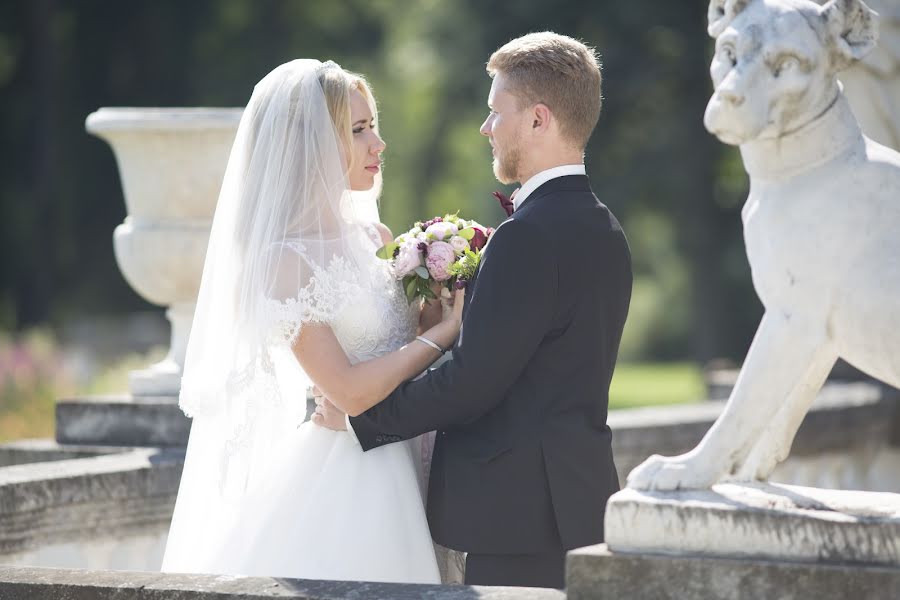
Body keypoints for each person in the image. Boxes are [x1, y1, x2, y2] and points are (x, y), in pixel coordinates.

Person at [314, 32, 633, 589]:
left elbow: (472, 384)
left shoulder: (527, 238)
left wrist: (360, 416)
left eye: (495, 113)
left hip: (515, 520)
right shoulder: (606, 229)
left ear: (538, 120)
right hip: (581, 505)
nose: (486, 128)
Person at [161, 59, 462, 584]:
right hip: (355, 473)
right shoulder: (283, 261)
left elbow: (394, 349)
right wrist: (440, 337)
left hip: (415, 455)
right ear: (314, 143)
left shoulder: (374, 236)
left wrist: (431, 313)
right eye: (360, 130)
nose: (379, 145)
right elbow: (345, 391)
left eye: (376, 127)